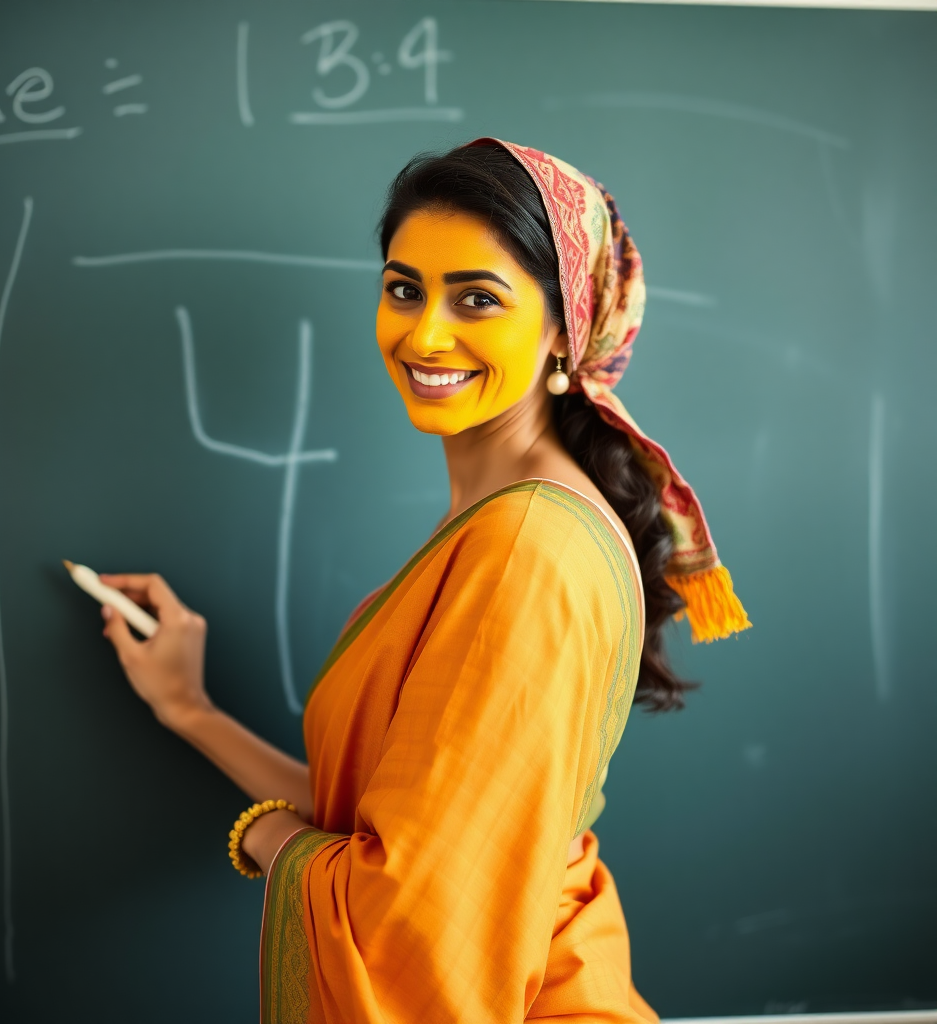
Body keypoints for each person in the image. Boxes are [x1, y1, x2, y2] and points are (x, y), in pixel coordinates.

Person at [98, 139, 750, 1023]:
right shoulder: (505, 517)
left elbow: (404, 912)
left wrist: (261, 837)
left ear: (566, 330)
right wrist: (191, 710)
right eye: (405, 288)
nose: (423, 334)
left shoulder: (525, 549)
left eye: (477, 299)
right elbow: (393, 827)